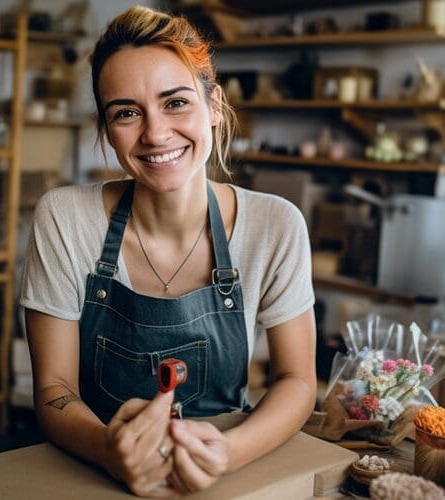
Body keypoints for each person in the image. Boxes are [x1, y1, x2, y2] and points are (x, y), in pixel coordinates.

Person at [20, 5, 316, 497]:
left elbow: (298, 381)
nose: (155, 134)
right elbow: (53, 390)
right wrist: (111, 451)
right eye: (127, 113)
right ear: (106, 128)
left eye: (175, 102)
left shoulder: (276, 225)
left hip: (224, 476)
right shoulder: (64, 219)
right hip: (92, 473)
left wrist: (228, 453)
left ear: (214, 106)